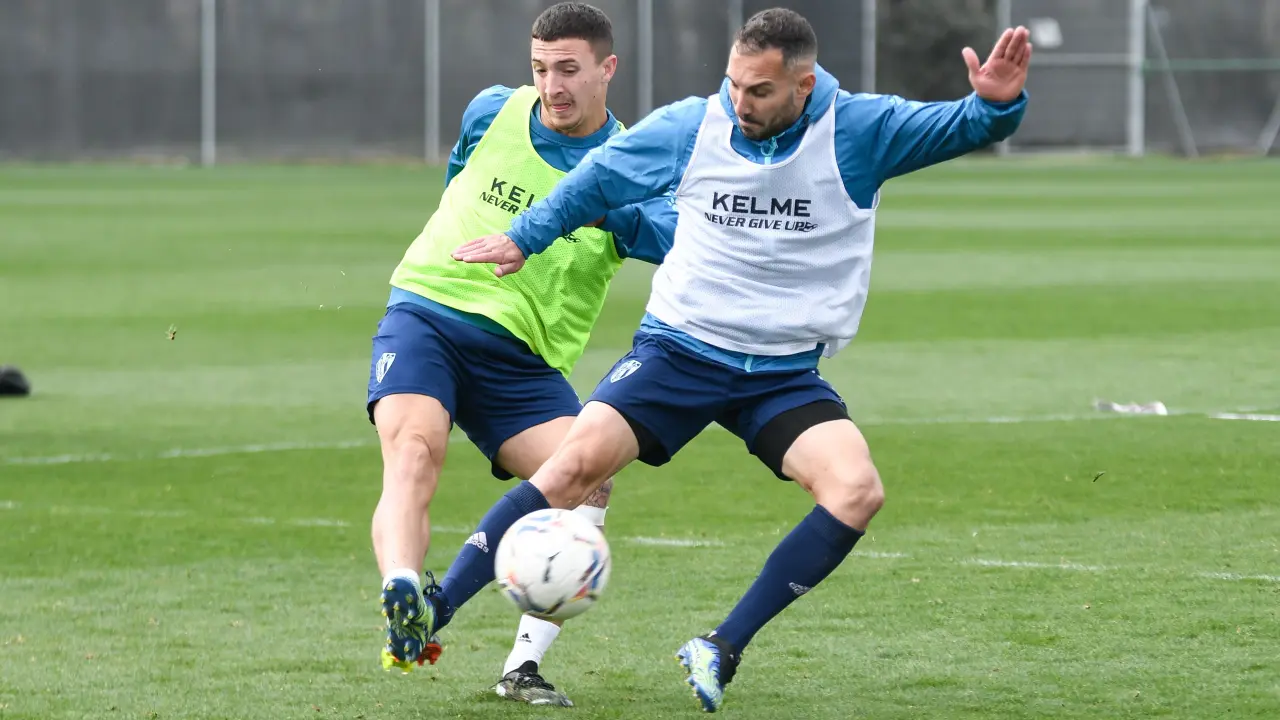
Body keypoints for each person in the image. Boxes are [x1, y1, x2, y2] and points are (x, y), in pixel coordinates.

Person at [437, 7, 1032, 713]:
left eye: (760, 91)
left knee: (856, 490)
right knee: (570, 469)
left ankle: (721, 646)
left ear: (803, 85)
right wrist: (524, 237)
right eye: (734, 84)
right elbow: (596, 180)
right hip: (678, 351)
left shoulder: (859, 130)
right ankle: (435, 608)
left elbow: (961, 126)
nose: (740, 102)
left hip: (782, 373)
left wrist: (995, 106)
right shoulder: (694, 125)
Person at [366, 2, 674, 706]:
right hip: (431, 312)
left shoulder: (634, 163)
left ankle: (518, 666)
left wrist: (603, 207)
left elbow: (676, 240)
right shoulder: (491, 111)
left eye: (568, 70)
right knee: (414, 449)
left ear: (607, 68)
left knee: (589, 477)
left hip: (525, 362)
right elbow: (457, 184)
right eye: (540, 69)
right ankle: (403, 592)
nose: (551, 86)